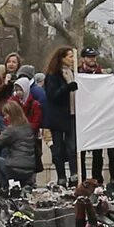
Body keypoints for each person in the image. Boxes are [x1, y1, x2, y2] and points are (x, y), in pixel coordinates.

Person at [39, 48, 79, 183]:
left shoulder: (73, 73)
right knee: (57, 149)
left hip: (72, 114)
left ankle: (74, 175)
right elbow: (52, 95)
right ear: (62, 58)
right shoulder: (53, 75)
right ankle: (61, 176)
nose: (72, 59)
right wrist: (67, 88)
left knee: (72, 147)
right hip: (57, 116)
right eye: (70, 56)